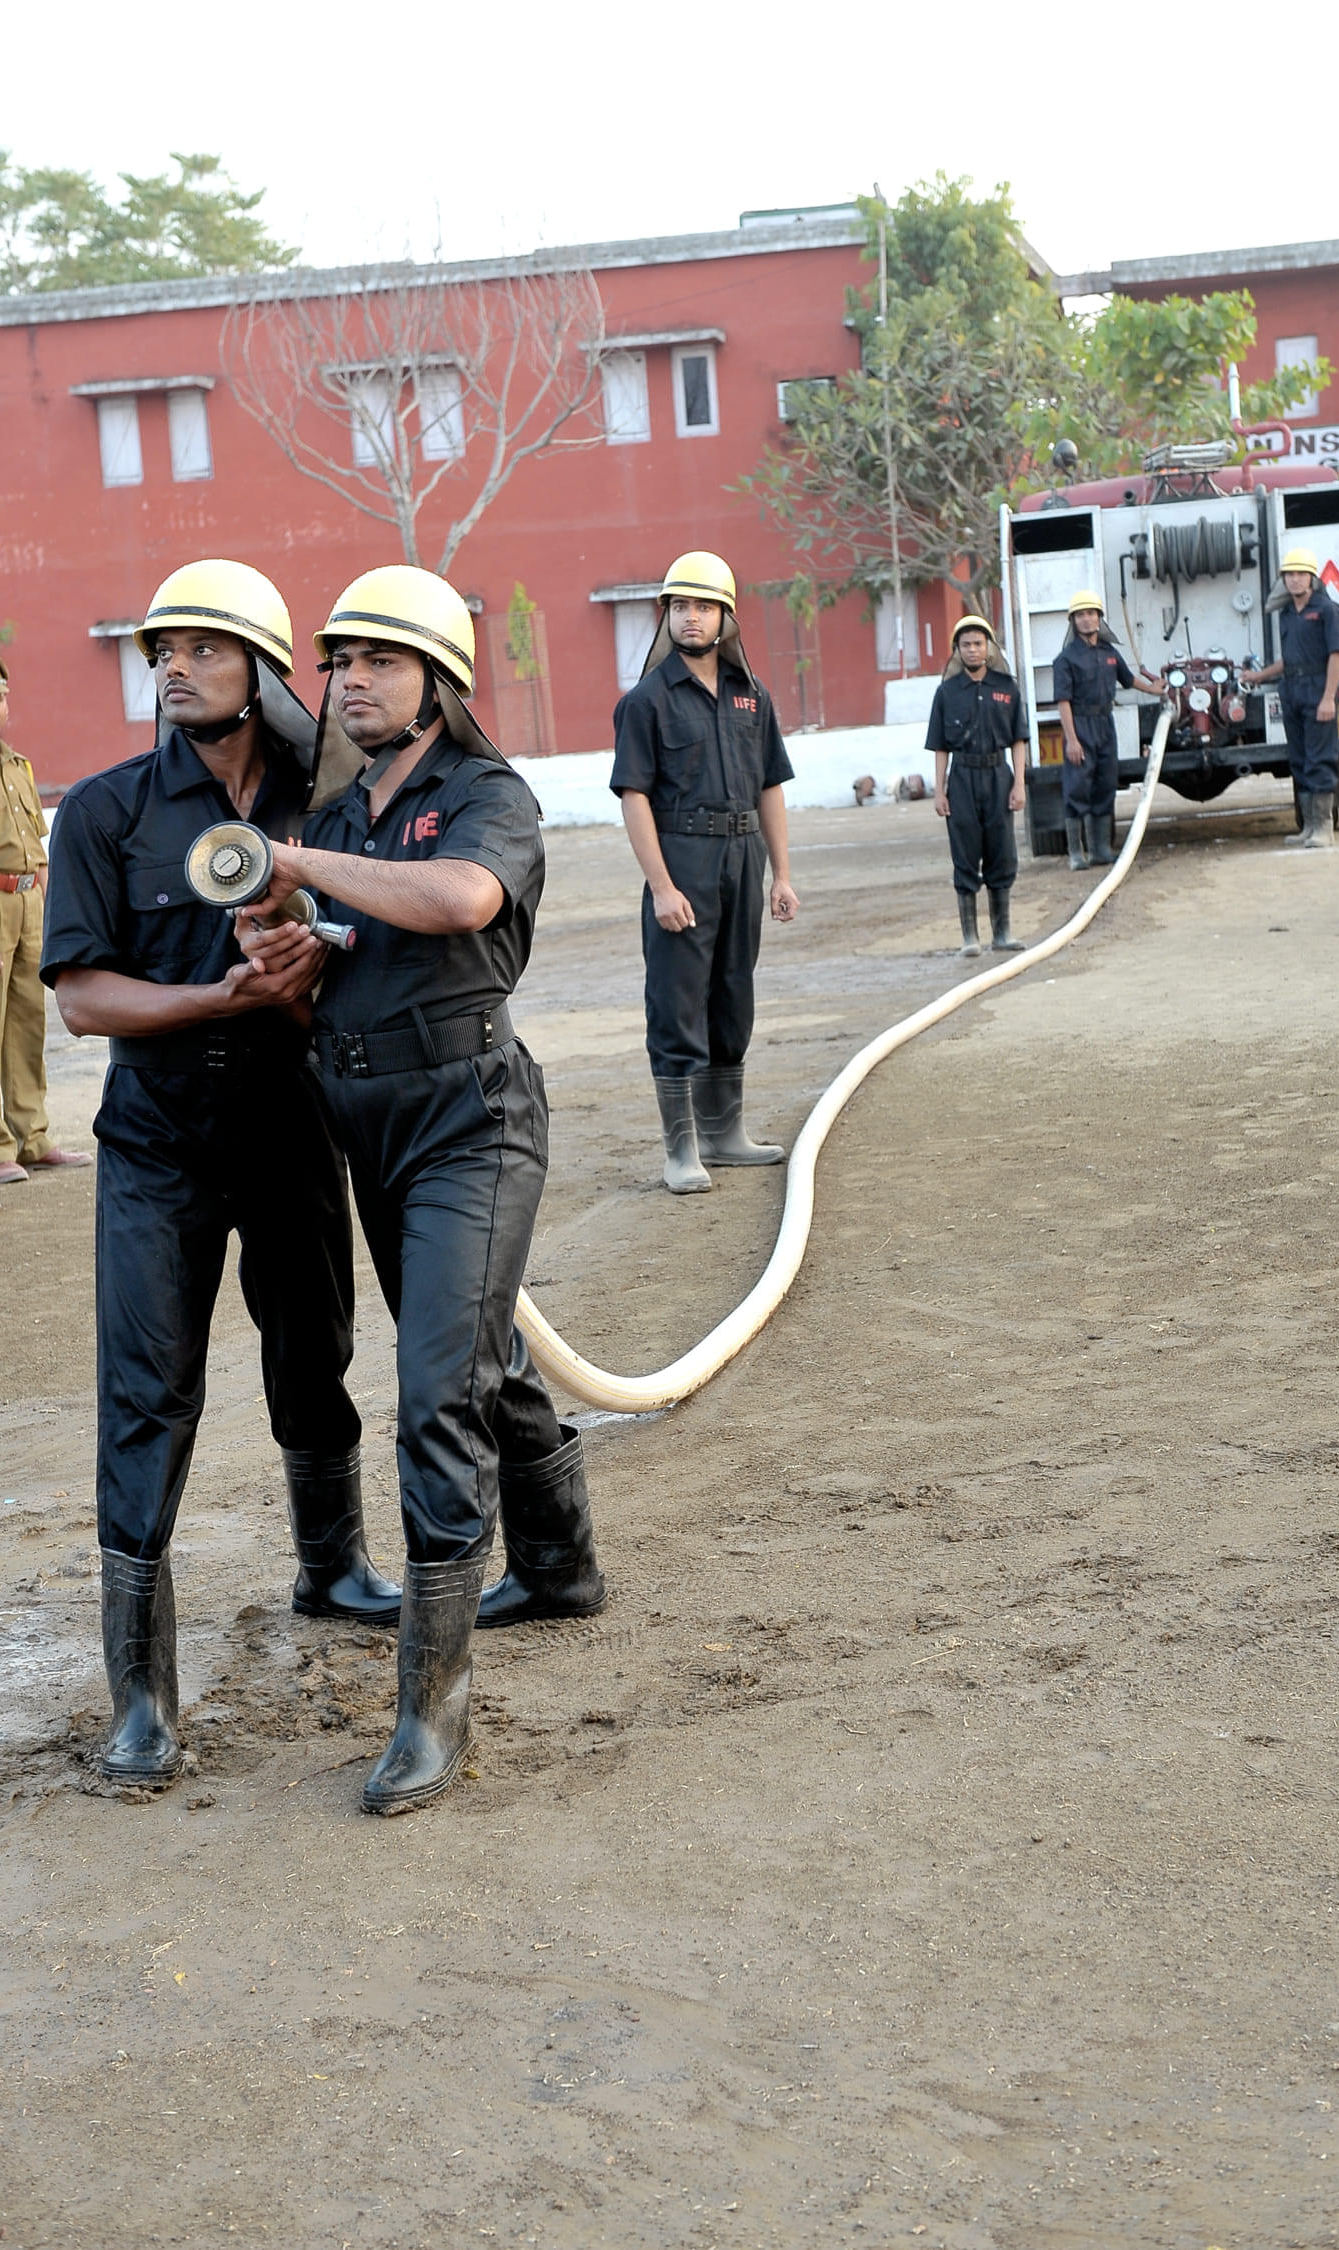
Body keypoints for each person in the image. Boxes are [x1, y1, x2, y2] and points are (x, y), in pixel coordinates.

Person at [238, 566, 605, 1817]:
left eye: (382, 664)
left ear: (440, 681)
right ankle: (559, 1566)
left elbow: (461, 900)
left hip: (473, 1121)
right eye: (342, 665)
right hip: (369, 1124)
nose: (353, 684)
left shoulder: (483, 796)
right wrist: (286, 942)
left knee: (432, 1390)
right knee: (478, 1362)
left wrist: (296, 864)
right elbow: (325, 945)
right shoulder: (344, 815)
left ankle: (432, 1709)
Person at [41, 561, 397, 1791]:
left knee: (317, 1348)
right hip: (157, 1146)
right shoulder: (104, 813)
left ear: (262, 670)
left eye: (203, 646)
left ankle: (333, 1566)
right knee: (148, 1395)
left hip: (297, 1123)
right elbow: (84, 1002)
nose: (173, 666)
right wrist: (222, 995)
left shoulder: (332, 806)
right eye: (162, 649)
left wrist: (313, 980)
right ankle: (142, 1694)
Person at [610, 551, 799, 1195]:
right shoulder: (645, 701)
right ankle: (681, 1146)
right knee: (677, 998)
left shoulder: (753, 697)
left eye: (704, 606)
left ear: (727, 618)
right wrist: (661, 886)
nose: (691, 618)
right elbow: (634, 796)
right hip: (682, 858)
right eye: (680, 606)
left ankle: (725, 1132)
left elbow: (770, 785)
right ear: (666, 616)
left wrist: (782, 874)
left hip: (743, 857)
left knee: (731, 992)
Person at [0, 655, 91, 1189]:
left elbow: (37, 850)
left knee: (29, 1026)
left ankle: (31, 1137)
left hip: (30, 902)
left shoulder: (19, 766)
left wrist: (56, 914)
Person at [926, 614, 1028, 955]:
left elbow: (1019, 740)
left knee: (1002, 852)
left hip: (999, 776)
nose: (972, 650)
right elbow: (940, 746)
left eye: (978, 644)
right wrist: (940, 790)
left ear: (989, 648)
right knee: (965, 853)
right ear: (957, 650)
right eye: (966, 644)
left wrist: (1020, 784)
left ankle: (1002, 933)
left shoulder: (1006, 688)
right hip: (962, 779)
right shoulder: (946, 692)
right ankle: (970, 937)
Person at [1240, 547, 1339, 849]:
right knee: (1299, 760)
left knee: (1320, 758)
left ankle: (1324, 828)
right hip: (1292, 690)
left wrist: (1328, 698)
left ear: (1312, 578)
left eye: (1301, 574)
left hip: (1317, 689)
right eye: (1290, 574)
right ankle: (1308, 827)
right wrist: (1258, 676)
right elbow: (1288, 659)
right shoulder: (1287, 614)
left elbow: (1336, 655)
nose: (1295, 579)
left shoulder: (1328, 610)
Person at [1052, 591, 1163, 870]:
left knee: (1105, 785)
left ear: (1100, 618)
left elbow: (1128, 679)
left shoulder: (1109, 653)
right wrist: (1072, 741)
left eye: (1091, 614)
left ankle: (1101, 850)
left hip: (1105, 725)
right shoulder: (1066, 659)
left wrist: (1153, 689)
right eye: (1081, 615)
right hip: (1080, 725)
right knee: (1077, 787)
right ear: (1073, 621)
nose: (1087, 619)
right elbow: (1063, 701)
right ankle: (1076, 853)